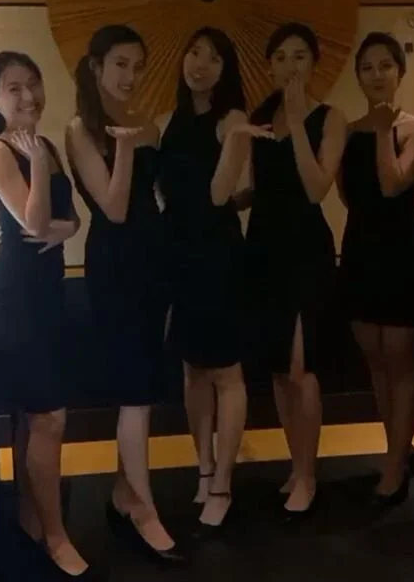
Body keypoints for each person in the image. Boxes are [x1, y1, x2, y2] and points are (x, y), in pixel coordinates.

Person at [66, 25, 184, 564]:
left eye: (138, 66)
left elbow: (154, 200)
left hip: (153, 261)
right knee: (133, 389)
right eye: (120, 64)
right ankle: (143, 509)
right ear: (96, 67)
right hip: (114, 266)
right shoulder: (80, 128)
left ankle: (123, 492)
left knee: (146, 386)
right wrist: (126, 145)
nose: (130, 76)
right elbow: (113, 208)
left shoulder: (149, 124)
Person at [0, 52, 89, 578]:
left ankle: (31, 522)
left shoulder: (45, 145)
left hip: (49, 294)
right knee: (49, 419)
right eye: (14, 88)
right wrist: (41, 170)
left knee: (35, 418)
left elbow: (71, 220)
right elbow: (35, 222)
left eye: (33, 84)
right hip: (17, 299)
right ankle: (56, 537)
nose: (28, 96)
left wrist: (60, 228)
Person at [157, 26, 269, 533]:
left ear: (226, 71)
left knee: (226, 371)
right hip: (180, 254)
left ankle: (223, 481)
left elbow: (220, 195)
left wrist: (238, 139)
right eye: (194, 52)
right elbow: (166, 191)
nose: (199, 64)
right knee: (192, 369)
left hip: (219, 257)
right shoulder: (170, 121)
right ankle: (203, 468)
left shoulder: (233, 119)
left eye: (213, 58)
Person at [243, 23, 346, 519]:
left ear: (314, 63)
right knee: (280, 371)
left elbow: (316, 187)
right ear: (270, 66)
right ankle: (295, 463)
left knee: (303, 369)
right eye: (281, 57)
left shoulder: (330, 117)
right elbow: (252, 187)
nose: (290, 66)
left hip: (306, 249)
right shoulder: (258, 118)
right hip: (263, 248)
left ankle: (308, 473)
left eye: (300, 56)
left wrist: (300, 122)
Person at [337, 32, 414, 505]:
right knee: (374, 358)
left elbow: (392, 185)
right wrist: (369, 128)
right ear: (358, 75)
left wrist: (381, 131)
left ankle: (395, 463)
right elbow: (347, 195)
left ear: (400, 71)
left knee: (400, 358)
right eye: (367, 67)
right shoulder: (347, 130)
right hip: (359, 248)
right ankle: (397, 446)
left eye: (385, 66)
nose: (376, 75)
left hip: (401, 251)